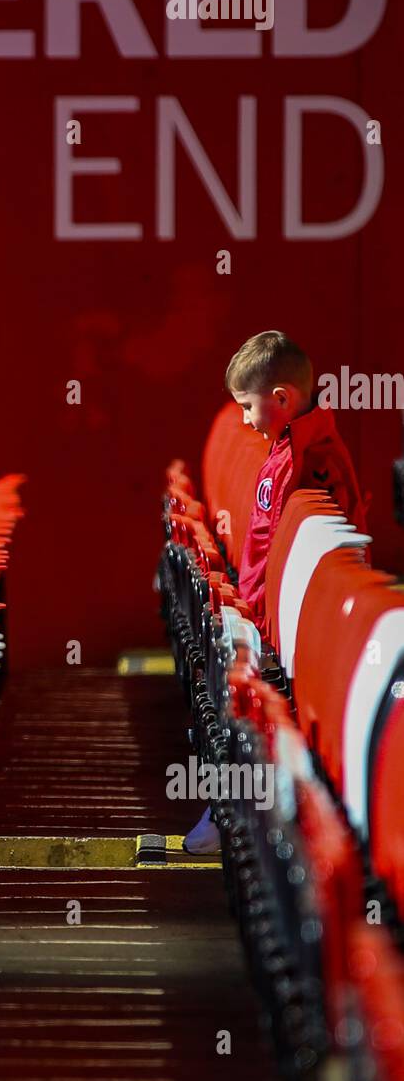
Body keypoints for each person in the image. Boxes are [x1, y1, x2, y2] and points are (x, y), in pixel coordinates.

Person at [183, 330, 367, 855]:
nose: (244, 419)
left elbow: (323, 559)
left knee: (244, 707)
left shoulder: (313, 458)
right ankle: (230, 809)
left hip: (289, 628)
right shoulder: (287, 444)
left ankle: (233, 814)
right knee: (233, 699)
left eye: (248, 406)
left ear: (282, 399)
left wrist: (261, 613)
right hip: (266, 612)